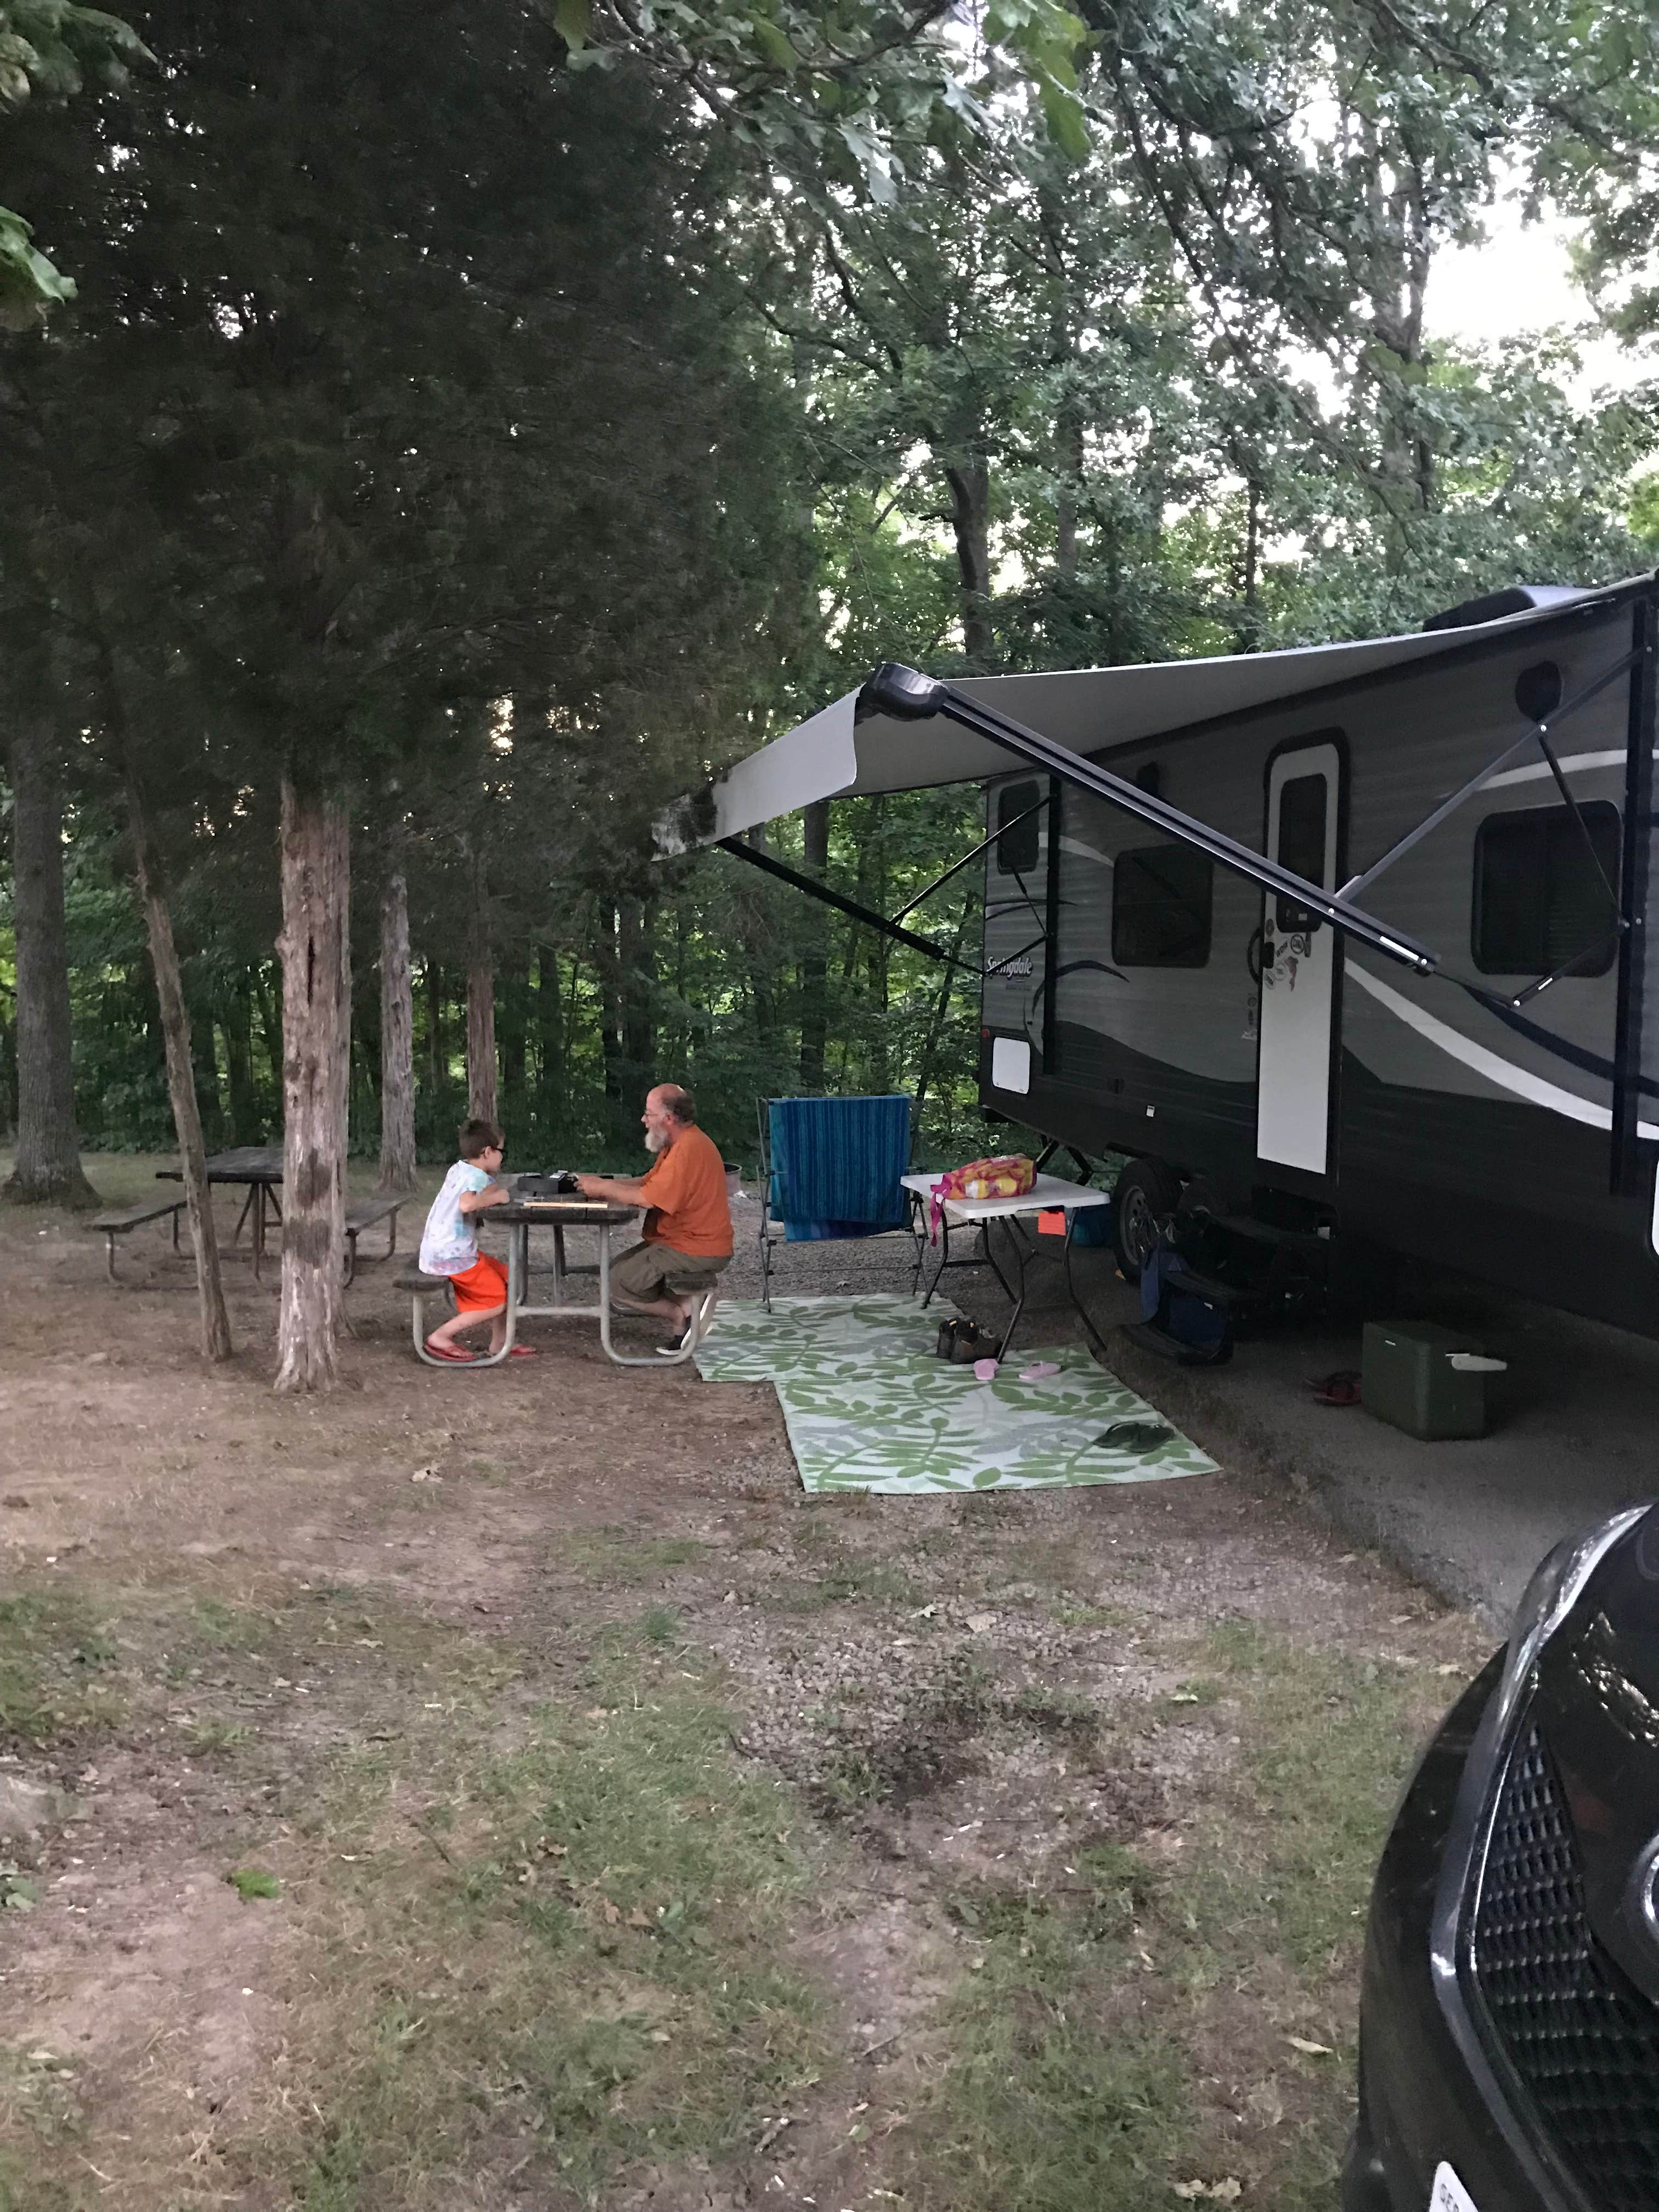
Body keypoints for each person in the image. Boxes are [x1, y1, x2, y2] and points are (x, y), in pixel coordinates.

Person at [576, 1084, 731, 1347]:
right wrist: (600, 1185)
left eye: (649, 1114)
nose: (643, 1120)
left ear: (669, 1119)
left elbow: (647, 1199)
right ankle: (687, 1312)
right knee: (616, 1270)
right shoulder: (680, 1143)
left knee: (618, 1281)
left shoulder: (687, 1149)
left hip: (696, 1248)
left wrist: (602, 1187)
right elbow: (648, 1182)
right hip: (686, 1242)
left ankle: (681, 1314)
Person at [418, 1118, 533, 1363]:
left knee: (508, 1277)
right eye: (501, 1151)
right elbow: (467, 1203)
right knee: (495, 1303)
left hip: (443, 1250)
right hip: (452, 1255)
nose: (503, 1157)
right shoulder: (476, 1176)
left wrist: (495, 1192)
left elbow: (483, 1189)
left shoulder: (462, 1169)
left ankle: (499, 1343)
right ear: (488, 1152)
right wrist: (498, 1197)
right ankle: (441, 1336)